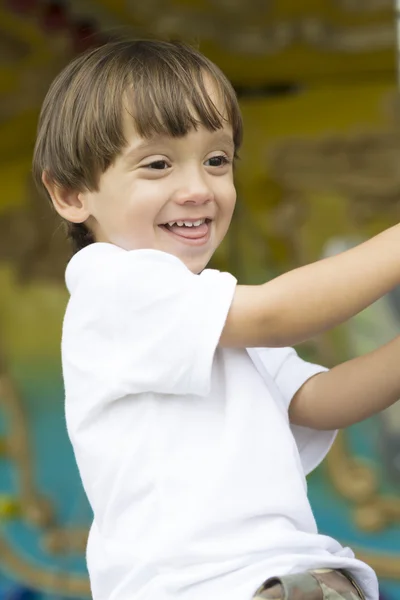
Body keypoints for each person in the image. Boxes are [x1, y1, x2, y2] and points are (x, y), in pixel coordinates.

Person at [32, 39, 400, 600]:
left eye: (217, 160)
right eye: (157, 164)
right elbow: (280, 313)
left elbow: (321, 400)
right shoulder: (111, 284)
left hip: (293, 577)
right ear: (69, 192)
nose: (198, 189)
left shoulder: (210, 316)